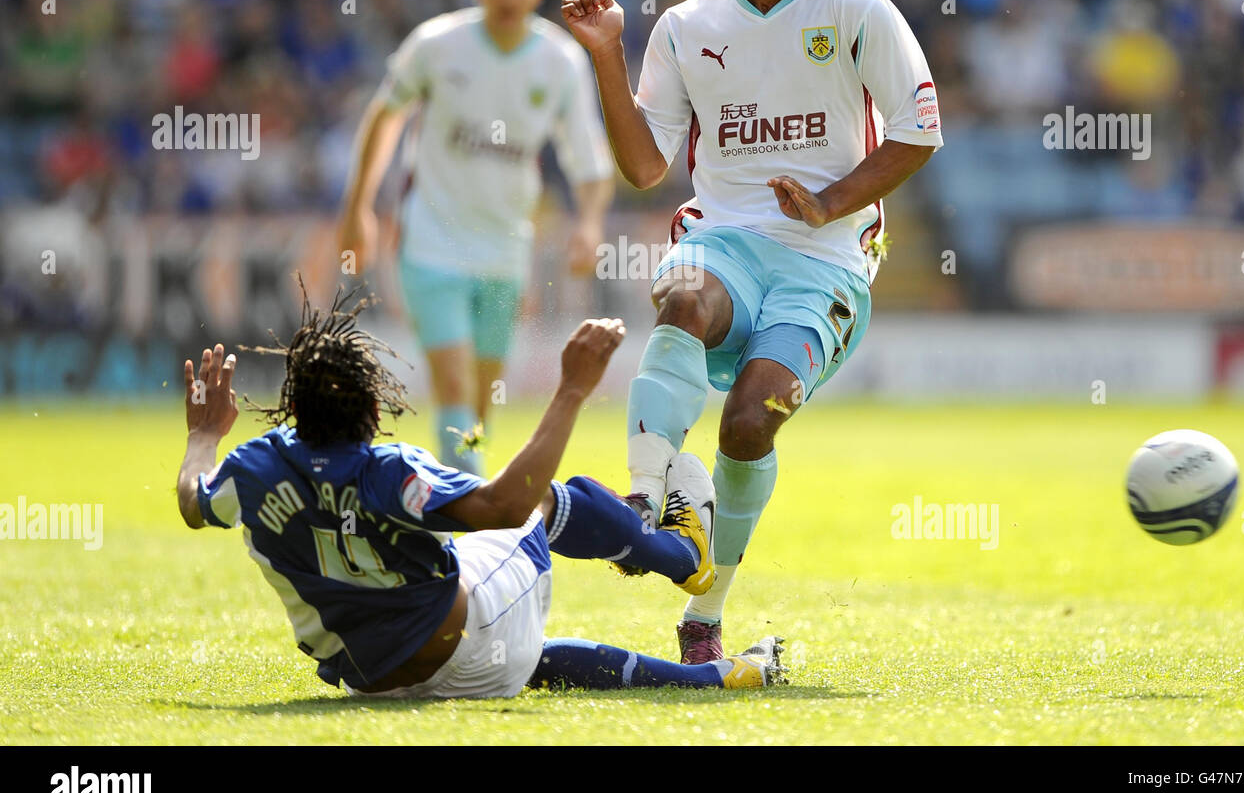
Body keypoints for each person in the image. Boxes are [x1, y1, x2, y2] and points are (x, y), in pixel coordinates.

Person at [561, 0, 943, 662]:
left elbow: (919, 133)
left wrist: (832, 201)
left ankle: (706, 611)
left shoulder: (857, 11)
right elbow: (643, 166)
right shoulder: (688, 25)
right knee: (685, 299)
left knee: (746, 426)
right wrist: (604, 56)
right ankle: (645, 494)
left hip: (829, 258)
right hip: (723, 237)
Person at [174, 287, 785, 698]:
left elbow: (194, 502)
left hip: (373, 681)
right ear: (371, 405)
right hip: (463, 645)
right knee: (537, 503)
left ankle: (709, 675)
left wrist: (203, 435)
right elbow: (506, 506)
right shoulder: (390, 470)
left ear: (293, 406)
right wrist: (571, 390)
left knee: (504, 637)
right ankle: (679, 555)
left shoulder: (253, 469)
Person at [338, 0, 615, 475]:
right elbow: (385, 117)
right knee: (454, 381)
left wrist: (589, 223)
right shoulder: (437, 45)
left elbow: (589, 158)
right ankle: (463, 503)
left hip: (506, 246)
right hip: (431, 236)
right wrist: (358, 208)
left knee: (483, 396)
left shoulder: (560, 59)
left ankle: (462, 480)